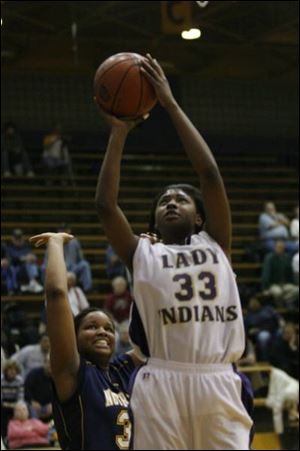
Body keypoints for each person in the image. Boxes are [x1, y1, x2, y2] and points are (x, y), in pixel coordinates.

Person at [95, 53, 253, 450]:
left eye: (181, 199)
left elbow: (210, 174)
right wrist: (119, 133)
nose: (171, 202)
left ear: (200, 218)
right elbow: (105, 207)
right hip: (161, 379)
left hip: (217, 378)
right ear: (153, 221)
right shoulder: (142, 253)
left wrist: (169, 102)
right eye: (164, 200)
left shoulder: (216, 242)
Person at [29, 232, 142, 450]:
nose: (102, 332)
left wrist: (152, 257)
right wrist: (55, 243)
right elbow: (56, 294)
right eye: (91, 327)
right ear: (74, 337)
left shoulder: (121, 370)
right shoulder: (73, 371)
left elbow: (155, 332)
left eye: (108, 328)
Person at [261, 239, 299, 310]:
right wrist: (265, 288)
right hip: (273, 284)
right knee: (278, 293)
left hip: (285, 284)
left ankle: (287, 300)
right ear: (275, 247)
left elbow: (290, 273)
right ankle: (281, 307)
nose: (280, 249)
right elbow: (265, 274)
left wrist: (293, 283)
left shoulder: (287, 257)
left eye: (282, 247)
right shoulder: (269, 258)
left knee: (297, 290)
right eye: (279, 247)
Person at [6, 229, 43, 294]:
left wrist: (32, 258)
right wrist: (24, 258)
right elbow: (11, 260)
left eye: (19, 238)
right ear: (13, 238)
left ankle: (31, 283)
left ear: (22, 238)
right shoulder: (9, 248)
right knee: (29, 264)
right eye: (16, 238)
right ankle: (33, 282)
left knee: (38, 267)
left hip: (28, 270)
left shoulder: (26, 247)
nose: (18, 240)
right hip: (16, 270)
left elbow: (34, 257)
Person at [24, 355, 53, 423]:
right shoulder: (33, 374)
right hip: (34, 404)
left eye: (52, 363)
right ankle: (37, 427)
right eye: (48, 362)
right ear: (44, 363)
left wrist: (53, 404)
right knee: (30, 408)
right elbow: (26, 389)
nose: (50, 365)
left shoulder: (58, 377)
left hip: (49, 406)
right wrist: (32, 401)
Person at [1, 360, 24, 438]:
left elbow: (20, 398)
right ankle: (4, 436)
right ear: (6, 371)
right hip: (3, 404)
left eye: (14, 370)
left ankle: (20, 435)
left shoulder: (20, 380)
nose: (12, 372)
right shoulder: (1, 380)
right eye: (10, 370)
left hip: (15, 404)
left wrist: (16, 406)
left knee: (23, 409)